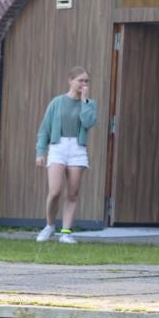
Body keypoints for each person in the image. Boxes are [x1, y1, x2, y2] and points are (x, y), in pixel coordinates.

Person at [34, 66, 97, 244]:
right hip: (58, 146)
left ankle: (66, 232)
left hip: (77, 148)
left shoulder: (90, 104)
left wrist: (84, 101)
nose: (83, 84)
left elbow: (88, 122)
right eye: (80, 80)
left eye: (86, 81)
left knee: (73, 193)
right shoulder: (57, 102)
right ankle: (49, 226)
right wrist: (40, 152)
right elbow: (44, 128)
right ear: (70, 80)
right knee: (54, 191)